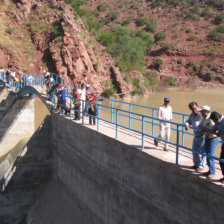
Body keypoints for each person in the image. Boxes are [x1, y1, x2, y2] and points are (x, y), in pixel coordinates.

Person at [198, 105, 218, 178]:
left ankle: (212, 172)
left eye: (202, 112)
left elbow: (213, 129)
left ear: (206, 112)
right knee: (207, 154)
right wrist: (205, 128)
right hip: (207, 138)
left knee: (210, 155)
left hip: (213, 139)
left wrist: (205, 129)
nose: (201, 113)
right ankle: (209, 170)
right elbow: (199, 126)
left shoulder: (211, 118)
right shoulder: (204, 118)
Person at [185, 102, 205, 171]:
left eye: (195, 108)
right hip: (196, 135)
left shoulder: (202, 114)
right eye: (192, 109)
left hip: (203, 136)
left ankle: (201, 166)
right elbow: (188, 121)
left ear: (198, 107)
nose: (194, 110)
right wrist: (187, 124)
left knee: (203, 152)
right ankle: (196, 164)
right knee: (194, 151)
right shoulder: (192, 115)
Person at [210, 111, 224, 183]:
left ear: (218, 118)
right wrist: (210, 131)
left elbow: (220, 132)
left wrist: (220, 132)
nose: (213, 122)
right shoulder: (217, 123)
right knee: (221, 161)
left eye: (214, 120)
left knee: (222, 160)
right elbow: (214, 128)